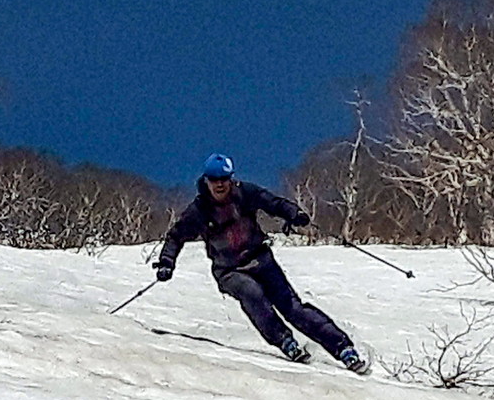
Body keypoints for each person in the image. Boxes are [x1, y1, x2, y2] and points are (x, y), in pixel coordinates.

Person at [154, 153, 368, 372]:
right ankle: (284, 341)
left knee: (293, 307)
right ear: (206, 180)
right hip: (229, 270)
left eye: (224, 179)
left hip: (261, 260)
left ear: (231, 178)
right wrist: (166, 262)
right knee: (252, 293)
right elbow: (176, 236)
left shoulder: (244, 193)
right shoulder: (198, 211)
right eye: (214, 179)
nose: (219, 185)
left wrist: (293, 214)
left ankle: (344, 349)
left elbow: (272, 202)